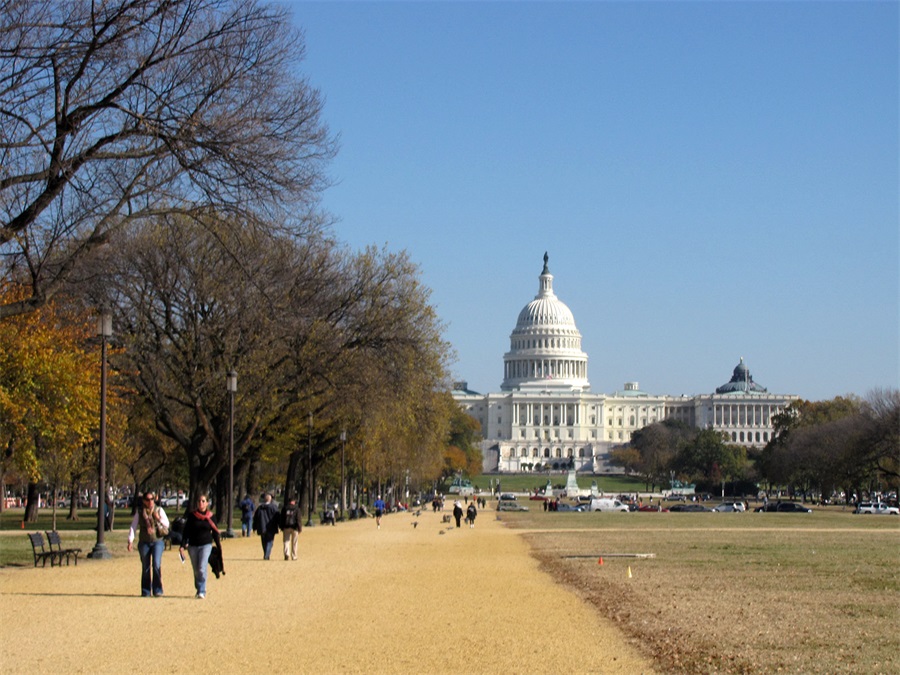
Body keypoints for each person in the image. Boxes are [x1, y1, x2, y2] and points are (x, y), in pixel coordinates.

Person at [126, 491, 170, 597]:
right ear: (144, 501)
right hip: (144, 542)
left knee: (156, 564)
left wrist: (158, 518)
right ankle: (146, 591)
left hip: (157, 541)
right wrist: (130, 540)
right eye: (147, 500)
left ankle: (157, 590)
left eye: (152, 499)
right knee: (146, 566)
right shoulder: (140, 512)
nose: (150, 502)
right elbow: (133, 526)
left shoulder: (159, 510)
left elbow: (167, 524)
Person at [179, 494, 221, 599]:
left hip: (206, 545)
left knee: (202, 568)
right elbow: (186, 531)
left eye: (203, 501)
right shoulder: (192, 516)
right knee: (196, 570)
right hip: (193, 546)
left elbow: (215, 532)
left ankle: (202, 590)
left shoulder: (211, 516)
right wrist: (182, 545)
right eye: (199, 501)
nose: (201, 503)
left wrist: (219, 546)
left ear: (207, 503)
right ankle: (199, 588)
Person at [252, 493, 280, 560]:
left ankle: (266, 553)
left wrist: (254, 527)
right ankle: (266, 554)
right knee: (270, 541)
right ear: (270, 499)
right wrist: (279, 525)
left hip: (262, 527)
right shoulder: (274, 508)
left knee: (264, 541)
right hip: (271, 527)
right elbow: (278, 517)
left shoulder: (260, 508)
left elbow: (256, 518)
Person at [279, 496, 301, 560]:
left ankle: (286, 553)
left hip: (286, 526)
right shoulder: (297, 509)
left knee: (286, 541)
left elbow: (282, 518)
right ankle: (294, 556)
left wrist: (281, 527)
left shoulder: (284, 508)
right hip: (294, 527)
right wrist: (299, 528)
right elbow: (298, 519)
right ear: (294, 502)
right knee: (294, 542)